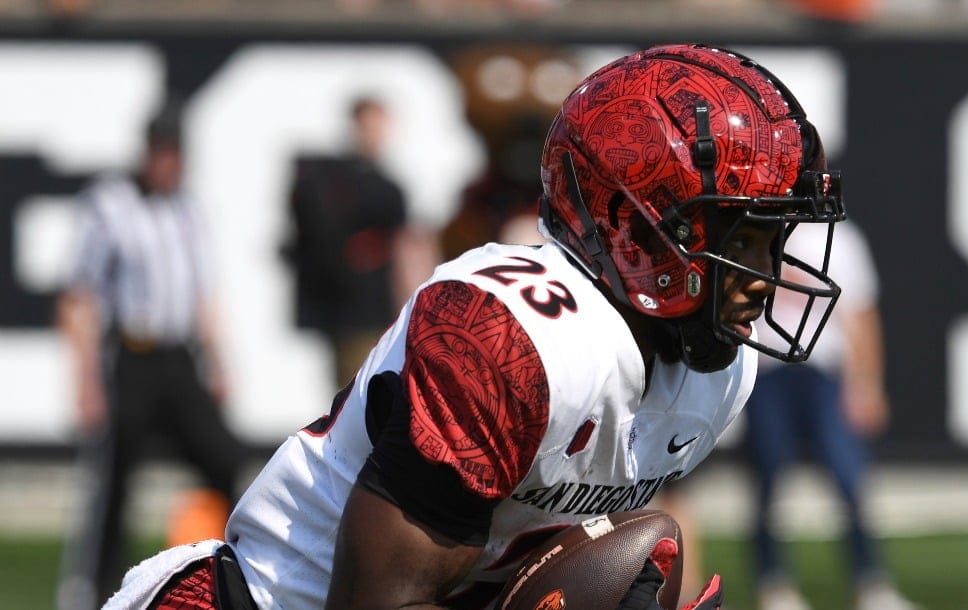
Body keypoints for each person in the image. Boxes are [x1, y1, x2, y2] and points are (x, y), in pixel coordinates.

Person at [103, 44, 847, 610]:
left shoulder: (721, 370)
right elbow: (375, 603)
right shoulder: (506, 337)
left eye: (771, 239)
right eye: (736, 237)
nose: (762, 275)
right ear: (635, 228)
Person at [55, 107, 250, 609]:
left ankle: (243, 575)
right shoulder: (111, 206)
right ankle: (92, 591)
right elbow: (80, 296)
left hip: (178, 360)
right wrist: (86, 381)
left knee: (225, 459)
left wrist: (219, 362)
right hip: (133, 356)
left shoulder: (188, 210)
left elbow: (203, 294)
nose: (168, 164)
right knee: (115, 479)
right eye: (160, 152)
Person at [743, 219, 919, 610]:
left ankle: (870, 582)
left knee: (849, 477)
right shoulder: (758, 228)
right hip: (766, 370)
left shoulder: (840, 237)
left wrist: (867, 381)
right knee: (768, 481)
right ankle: (774, 585)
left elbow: (860, 314)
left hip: (824, 369)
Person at [284, 97, 409, 387]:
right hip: (349, 310)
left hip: (382, 306)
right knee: (356, 389)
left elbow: (404, 247)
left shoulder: (389, 187)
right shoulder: (331, 182)